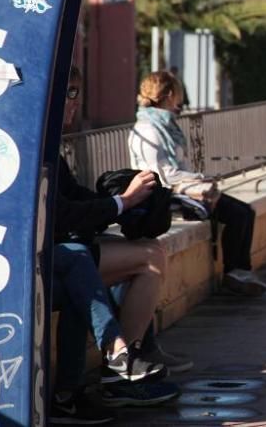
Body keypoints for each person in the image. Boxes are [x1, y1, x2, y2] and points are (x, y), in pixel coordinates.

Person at [53, 68, 181, 419]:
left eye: (77, 94)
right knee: (148, 257)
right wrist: (122, 202)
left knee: (89, 268)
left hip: (66, 254)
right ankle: (119, 367)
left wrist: (122, 203)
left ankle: (76, 389)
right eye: (70, 94)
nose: (73, 106)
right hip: (48, 258)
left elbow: (73, 199)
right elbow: (61, 215)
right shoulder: (36, 147)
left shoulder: (48, 144)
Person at [129, 71, 266, 297]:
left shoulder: (165, 126)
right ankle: (235, 272)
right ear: (170, 95)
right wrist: (198, 180)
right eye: (178, 96)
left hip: (183, 188)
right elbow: (161, 176)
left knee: (245, 211)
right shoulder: (149, 130)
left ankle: (240, 270)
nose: (181, 103)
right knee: (238, 214)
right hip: (167, 196)